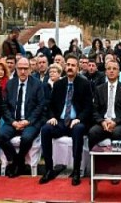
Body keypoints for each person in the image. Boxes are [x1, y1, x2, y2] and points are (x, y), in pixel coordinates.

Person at [39, 54, 92, 186]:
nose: (70, 68)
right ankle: (49, 170)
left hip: (76, 121)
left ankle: (76, 171)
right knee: (45, 129)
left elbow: (88, 107)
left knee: (79, 130)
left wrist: (79, 118)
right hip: (60, 121)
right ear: (64, 67)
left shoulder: (84, 84)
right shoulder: (58, 84)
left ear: (78, 68)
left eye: (73, 65)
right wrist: (51, 117)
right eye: (68, 65)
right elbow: (50, 105)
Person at [0, 58, 45, 178]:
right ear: (16, 69)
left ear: (30, 69)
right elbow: (4, 106)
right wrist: (12, 122)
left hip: (30, 122)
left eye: (25, 68)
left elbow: (40, 106)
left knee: (26, 138)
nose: (23, 71)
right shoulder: (10, 83)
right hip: (13, 121)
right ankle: (16, 161)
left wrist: (28, 121)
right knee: (0, 136)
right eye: (20, 68)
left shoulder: (37, 84)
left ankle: (16, 164)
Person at [87, 60, 121, 150]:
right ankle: (94, 162)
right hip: (102, 123)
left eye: (114, 69)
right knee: (92, 132)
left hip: (118, 123)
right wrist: (102, 122)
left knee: (117, 133)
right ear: (105, 72)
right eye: (109, 69)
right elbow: (95, 110)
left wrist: (115, 122)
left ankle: (115, 162)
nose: (111, 71)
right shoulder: (99, 89)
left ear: (119, 72)